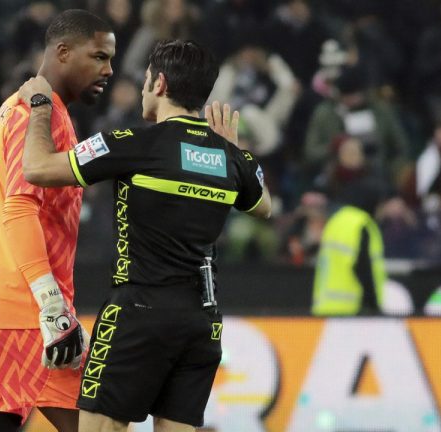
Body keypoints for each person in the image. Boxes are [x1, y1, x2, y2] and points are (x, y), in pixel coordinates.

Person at [18, 39, 271, 432]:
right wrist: (231, 151)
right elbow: (264, 205)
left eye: (145, 79)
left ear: (160, 83)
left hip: (138, 314)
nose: (141, 89)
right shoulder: (229, 158)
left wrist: (39, 106)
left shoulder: (133, 143)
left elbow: (36, 168)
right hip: (202, 323)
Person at [0, 10, 115, 432]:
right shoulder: (42, 115)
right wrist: (52, 304)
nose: (108, 70)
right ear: (63, 52)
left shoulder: (14, 108)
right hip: (23, 311)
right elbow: (20, 207)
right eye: (98, 56)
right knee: (101, 426)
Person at [311, 178, 387, 315]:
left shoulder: (335, 221)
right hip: (352, 311)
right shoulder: (361, 224)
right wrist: (373, 305)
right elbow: (363, 266)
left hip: (324, 307)